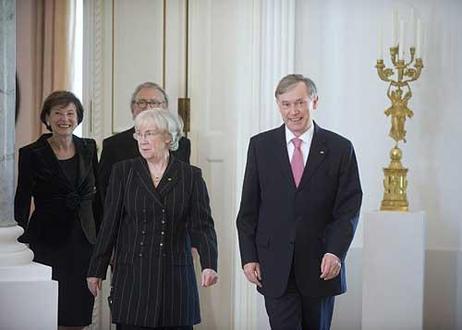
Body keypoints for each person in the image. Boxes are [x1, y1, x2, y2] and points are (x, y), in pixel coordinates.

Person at [236, 74, 362, 330]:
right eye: (286, 104)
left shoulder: (340, 148)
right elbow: (249, 208)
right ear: (278, 105)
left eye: (300, 103)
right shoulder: (261, 146)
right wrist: (248, 256)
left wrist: (335, 251)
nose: (293, 111)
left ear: (314, 102)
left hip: (320, 266)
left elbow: (348, 209)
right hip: (274, 265)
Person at [86, 109, 218, 329]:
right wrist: (96, 269)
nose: (143, 140)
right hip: (133, 278)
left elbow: (202, 226)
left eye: (150, 133)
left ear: (168, 137)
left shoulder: (190, 176)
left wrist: (209, 264)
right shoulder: (124, 172)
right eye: (139, 134)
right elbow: (110, 224)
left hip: (175, 279)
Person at [14, 91, 101, 330]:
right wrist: (18, 243)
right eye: (58, 113)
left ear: (78, 117)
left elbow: (99, 197)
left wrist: (104, 239)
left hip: (84, 242)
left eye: (70, 113)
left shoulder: (89, 147)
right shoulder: (31, 153)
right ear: (47, 118)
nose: (65, 119)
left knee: (78, 312)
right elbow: (22, 200)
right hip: (47, 243)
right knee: (49, 311)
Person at [98, 82, 191, 202]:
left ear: (165, 108)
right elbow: (104, 191)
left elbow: (185, 186)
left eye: (154, 103)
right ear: (132, 109)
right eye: (141, 102)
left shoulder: (182, 144)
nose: (148, 108)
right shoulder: (113, 145)